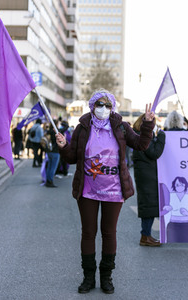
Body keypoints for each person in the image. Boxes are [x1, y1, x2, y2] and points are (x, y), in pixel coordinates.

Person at [55, 89, 155, 294]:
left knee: (109, 233)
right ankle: (88, 278)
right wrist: (64, 146)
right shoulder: (82, 128)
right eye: (99, 104)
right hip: (88, 190)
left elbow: (142, 145)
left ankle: (106, 277)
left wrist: (147, 124)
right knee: (88, 233)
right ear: (92, 106)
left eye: (108, 105)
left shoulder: (121, 126)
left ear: (113, 107)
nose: (103, 109)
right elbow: (72, 157)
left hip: (114, 190)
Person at [132, 114, 165, 247]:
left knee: (148, 204)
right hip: (147, 175)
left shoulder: (138, 134)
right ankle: (145, 236)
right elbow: (154, 153)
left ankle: (146, 235)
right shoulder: (143, 136)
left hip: (145, 174)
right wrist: (161, 138)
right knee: (149, 204)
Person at [45, 120, 60, 187]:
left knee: (49, 166)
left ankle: (48, 180)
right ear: (56, 124)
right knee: (53, 168)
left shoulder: (48, 131)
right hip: (55, 151)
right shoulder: (57, 132)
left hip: (49, 151)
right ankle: (50, 181)